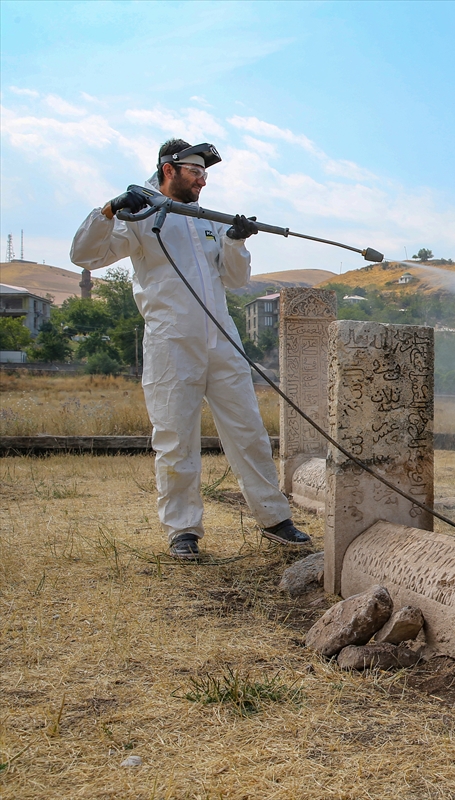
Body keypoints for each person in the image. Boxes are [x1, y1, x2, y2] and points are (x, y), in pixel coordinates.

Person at [71, 138, 311, 559]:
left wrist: (235, 241)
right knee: (176, 439)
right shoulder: (139, 215)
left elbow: (234, 280)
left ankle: (275, 519)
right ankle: (182, 531)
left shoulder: (207, 221)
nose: (203, 181)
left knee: (249, 432)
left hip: (221, 339)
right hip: (171, 341)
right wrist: (109, 210)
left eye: (205, 174)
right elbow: (84, 255)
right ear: (169, 170)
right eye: (195, 173)